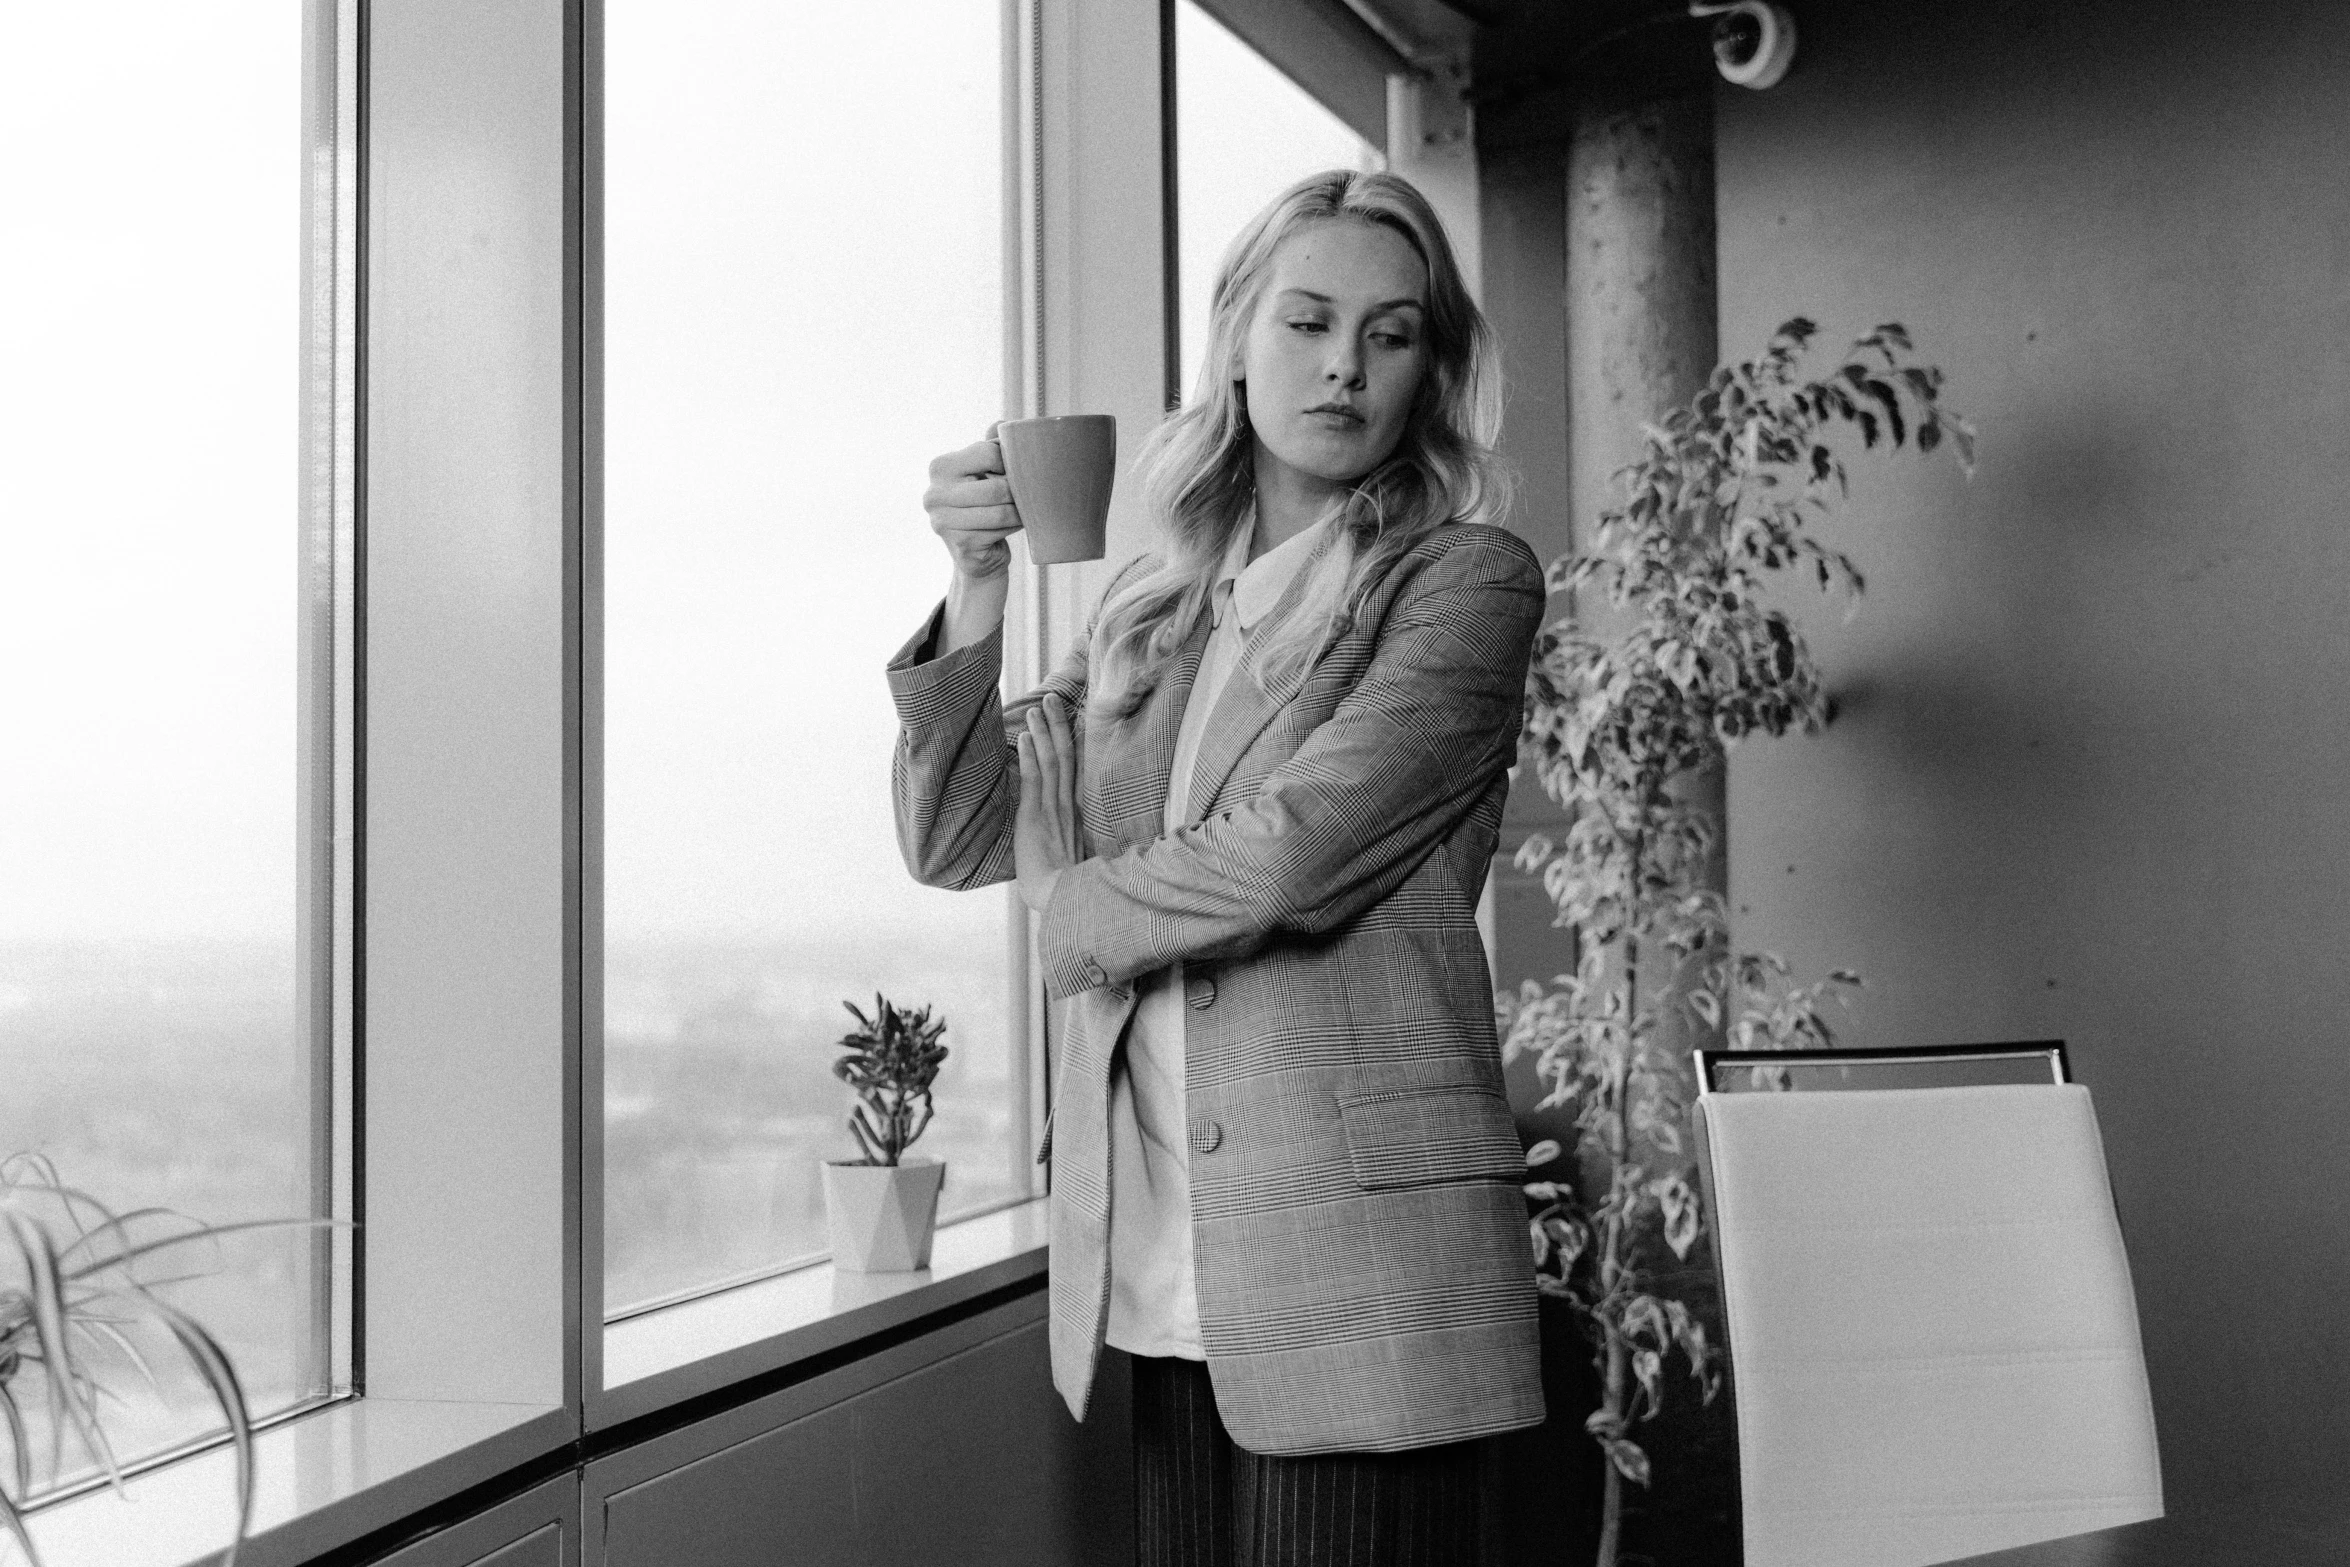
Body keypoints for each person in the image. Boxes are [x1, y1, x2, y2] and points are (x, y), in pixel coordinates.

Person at [887, 168, 1544, 1566]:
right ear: (1236, 334)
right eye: (1307, 319)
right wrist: (977, 588)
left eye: (1391, 331)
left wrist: (1069, 902)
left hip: (1361, 1271)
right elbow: (958, 834)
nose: (1343, 365)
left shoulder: (1461, 580)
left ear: (1429, 366)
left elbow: (1290, 859)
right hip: (1173, 1258)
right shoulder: (1153, 597)